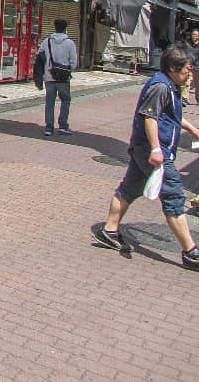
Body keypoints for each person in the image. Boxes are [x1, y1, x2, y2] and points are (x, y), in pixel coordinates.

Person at [92, 44, 199, 270]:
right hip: (152, 152)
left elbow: (169, 115)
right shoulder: (161, 86)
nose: (190, 73)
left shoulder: (169, 85)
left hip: (146, 149)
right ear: (173, 67)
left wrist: (191, 129)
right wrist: (156, 149)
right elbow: (149, 117)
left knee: (129, 189)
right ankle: (191, 251)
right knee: (173, 195)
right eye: (187, 69)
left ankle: (109, 230)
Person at [38, 18, 78, 136]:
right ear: (66, 29)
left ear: (55, 27)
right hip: (63, 78)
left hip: (49, 76)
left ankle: (49, 127)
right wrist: (67, 70)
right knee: (65, 100)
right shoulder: (70, 43)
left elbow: (40, 56)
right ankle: (63, 125)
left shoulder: (47, 41)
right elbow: (74, 62)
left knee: (50, 101)